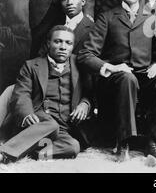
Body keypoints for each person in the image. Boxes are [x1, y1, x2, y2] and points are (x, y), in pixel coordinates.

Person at [77, 0, 156, 162]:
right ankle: (124, 143)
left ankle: (154, 142)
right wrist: (112, 67)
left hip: (144, 76)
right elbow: (85, 54)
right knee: (127, 77)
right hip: (114, 80)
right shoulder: (107, 17)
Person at [0, 26, 92, 163]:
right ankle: (5, 153)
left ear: (73, 46)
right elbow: (21, 93)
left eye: (68, 43)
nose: (63, 47)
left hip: (63, 127)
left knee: (73, 147)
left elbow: (90, 92)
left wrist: (85, 104)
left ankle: (25, 149)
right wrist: (27, 114)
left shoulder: (80, 64)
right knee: (51, 125)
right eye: (58, 41)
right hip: (38, 120)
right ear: (49, 43)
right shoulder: (31, 65)